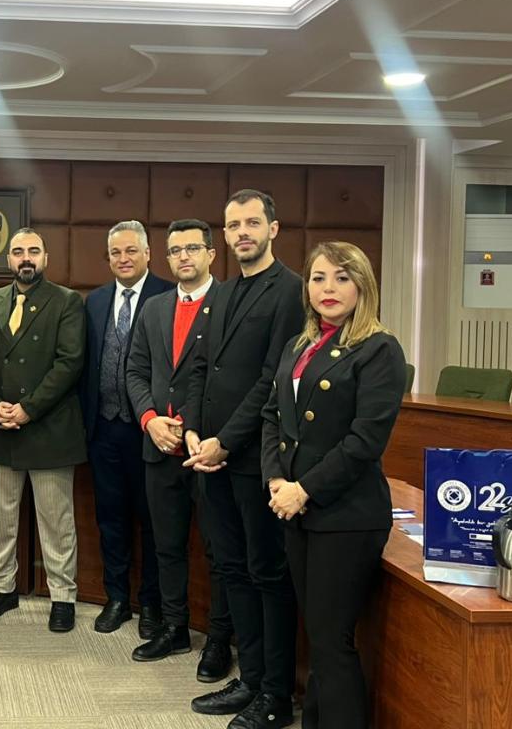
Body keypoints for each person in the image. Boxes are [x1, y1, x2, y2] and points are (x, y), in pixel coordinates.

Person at [261, 241, 405, 729]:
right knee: (319, 638)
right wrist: (276, 478)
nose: (329, 288)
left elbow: (364, 442)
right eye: (318, 278)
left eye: (342, 278)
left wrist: (304, 489)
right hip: (298, 509)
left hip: (346, 515)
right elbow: (272, 415)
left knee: (332, 641)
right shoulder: (300, 344)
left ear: (363, 285)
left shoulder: (379, 348)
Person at [182, 190, 304, 729]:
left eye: (252, 222)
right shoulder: (223, 291)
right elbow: (199, 366)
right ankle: (250, 679)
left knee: (267, 575)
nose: (242, 233)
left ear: (273, 229)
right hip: (210, 457)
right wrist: (192, 429)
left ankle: (275, 694)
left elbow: (271, 380)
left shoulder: (291, 290)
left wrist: (225, 441)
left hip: (256, 460)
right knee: (231, 569)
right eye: (233, 225)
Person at [126, 219, 234, 681]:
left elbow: (226, 379)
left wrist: (187, 425)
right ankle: (174, 628)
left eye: (192, 248)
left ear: (211, 253)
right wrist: (150, 420)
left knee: (219, 551)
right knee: (167, 546)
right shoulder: (154, 309)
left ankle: (220, 639)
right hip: (158, 448)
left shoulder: (229, 304)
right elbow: (134, 371)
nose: (183, 257)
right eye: (175, 250)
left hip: (208, 452)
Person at [0, 228, 87, 632]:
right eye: (18, 251)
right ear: (8, 260)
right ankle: (0, 588)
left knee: (56, 520)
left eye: (33, 251)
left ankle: (62, 596)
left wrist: (28, 409)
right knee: (1, 516)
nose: (26, 258)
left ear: (46, 258)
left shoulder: (67, 301)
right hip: (2, 425)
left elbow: (69, 363)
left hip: (49, 427)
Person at [79, 220, 172, 637]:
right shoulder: (96, 301)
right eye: (116, 252)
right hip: (104, 429)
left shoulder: (167, 296)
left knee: (152, 520)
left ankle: (151, 603)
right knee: (110, 518)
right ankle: (116, 598)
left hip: (149, 431)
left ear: (148, 254)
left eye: (131, 250)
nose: (124, 258)